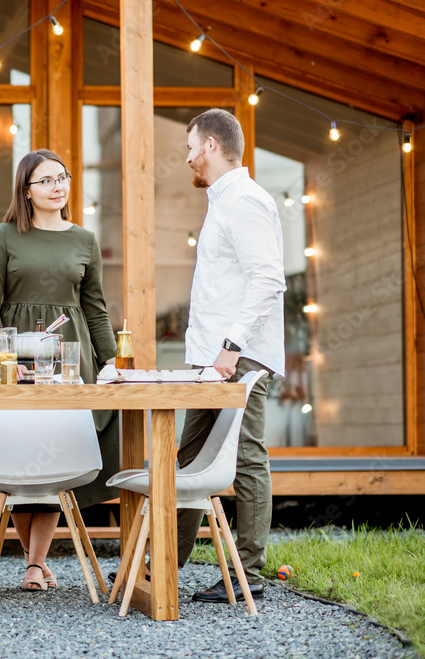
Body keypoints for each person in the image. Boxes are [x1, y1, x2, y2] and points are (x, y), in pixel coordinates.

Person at [0, 149, 118, 592]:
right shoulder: (5, 236)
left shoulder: (85, 240)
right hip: (16, 356)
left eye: (63, 177)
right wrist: (3, 359)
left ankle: (35, 563)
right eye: (47, 180)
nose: (58, 187)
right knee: (19, 454)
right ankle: (32, 558)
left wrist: (111, 360)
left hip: (72, 360)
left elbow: (95, 308)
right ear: (26, 190)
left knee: (57, 452)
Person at [178, 108, 285, 603]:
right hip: (212, 361)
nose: (187, 157)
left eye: (190, 146)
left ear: (213, 146)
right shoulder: (222, 202)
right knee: (185, 461)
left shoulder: (243, 200)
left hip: (237, 359)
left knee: (245, 458)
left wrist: (231, 346)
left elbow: (268, 280)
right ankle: (161, 567)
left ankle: (251, 575)